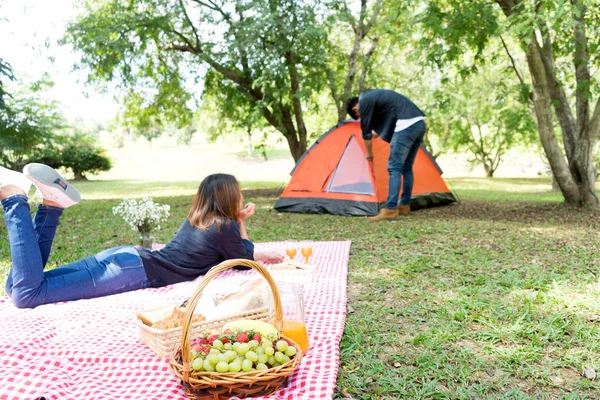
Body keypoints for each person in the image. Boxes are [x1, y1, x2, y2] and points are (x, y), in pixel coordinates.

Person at [0, 164, 283, 308]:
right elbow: (243, 257)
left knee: (18, 285)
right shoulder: (225, 227)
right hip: (132, 271)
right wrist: (242, 224)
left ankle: (52, 206)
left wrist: (239, 221)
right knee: (27, 294)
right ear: (231, 198)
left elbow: (238, 251)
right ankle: (15, 200)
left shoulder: (198, 218)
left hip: (123, 257)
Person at [346, 89, 427, 221]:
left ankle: (390, 209)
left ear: (355, 108)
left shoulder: (364, 102)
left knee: (394, 167)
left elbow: (365, 132)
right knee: (406, 168)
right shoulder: (374, 96)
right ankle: (405, 205)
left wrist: (369, 153)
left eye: (359, 115)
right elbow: (391, 115)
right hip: (418, 124)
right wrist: (377, 134)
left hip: (405, 126)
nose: (362, 116)